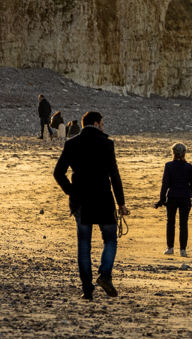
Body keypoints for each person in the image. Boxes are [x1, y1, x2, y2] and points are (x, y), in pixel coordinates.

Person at [52, 111, 129, 300]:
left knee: (84, 245)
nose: (103, 127)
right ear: (96, 123)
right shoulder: (106, 143)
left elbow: (58, 173)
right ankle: (104, 275)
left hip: (81, 200)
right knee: (110, 239)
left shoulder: (72, 143)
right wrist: (121, 203)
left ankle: (87, 289)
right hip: (103, 197)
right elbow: (114, 174)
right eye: (102, 124)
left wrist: (71, 191)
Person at [156, 143, 192, 257]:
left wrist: (162, 198)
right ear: (184, 153)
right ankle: (183, 250)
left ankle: (170, 248)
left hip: (172, 197)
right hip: (185, 197)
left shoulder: (168, 165)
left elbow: (165, 183)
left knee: (170, 222)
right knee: (183, 224)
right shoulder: (188, 167)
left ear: (173, 153)